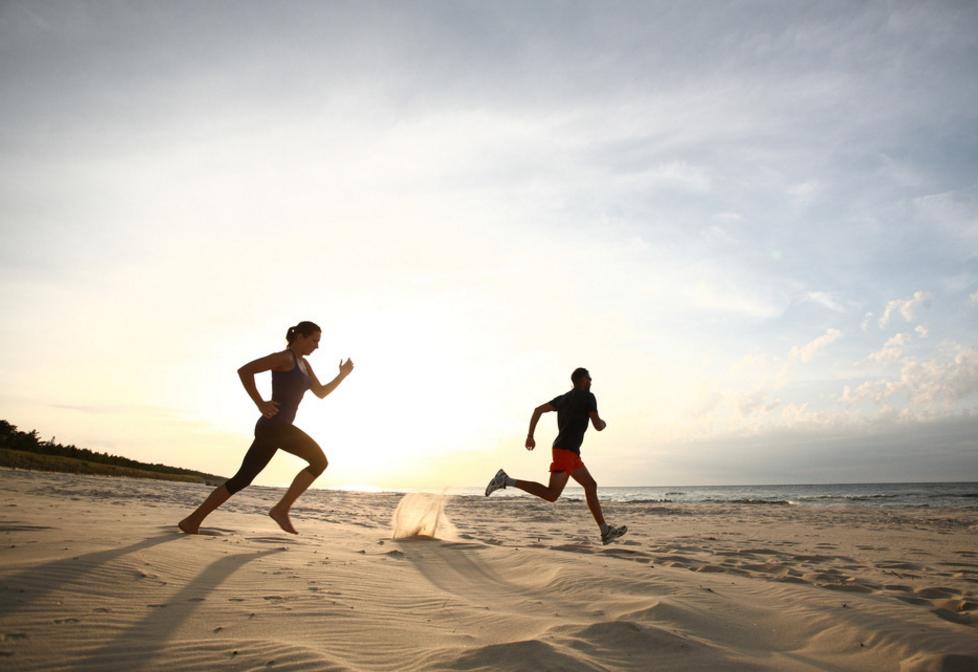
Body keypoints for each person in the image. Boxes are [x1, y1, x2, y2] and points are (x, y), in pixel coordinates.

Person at [178, 321, 353, 535]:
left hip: (275, 429)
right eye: (314, 340)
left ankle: (192, 521)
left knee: (242, 479)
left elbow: (321, 392)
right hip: (274, 426)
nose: (317, 346)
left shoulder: (305, 365)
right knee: (319, 461)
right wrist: (260, 403)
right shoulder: (284, 358)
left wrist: (342, 375)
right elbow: (245, 371)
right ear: (300, 337)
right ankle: (281, 509)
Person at [485, 367, 626, 545]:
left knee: (590, 485)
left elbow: (537, 410)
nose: (591, 382)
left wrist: (530, 435)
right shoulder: (588, 397)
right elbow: (597, 425)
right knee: (551, 494)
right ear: (583, 380)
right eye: (589, 379)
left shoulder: (563, 399)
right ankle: (505, 480)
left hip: (570, 452)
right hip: (565, 451)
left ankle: (605, 531)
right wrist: (604, 423)